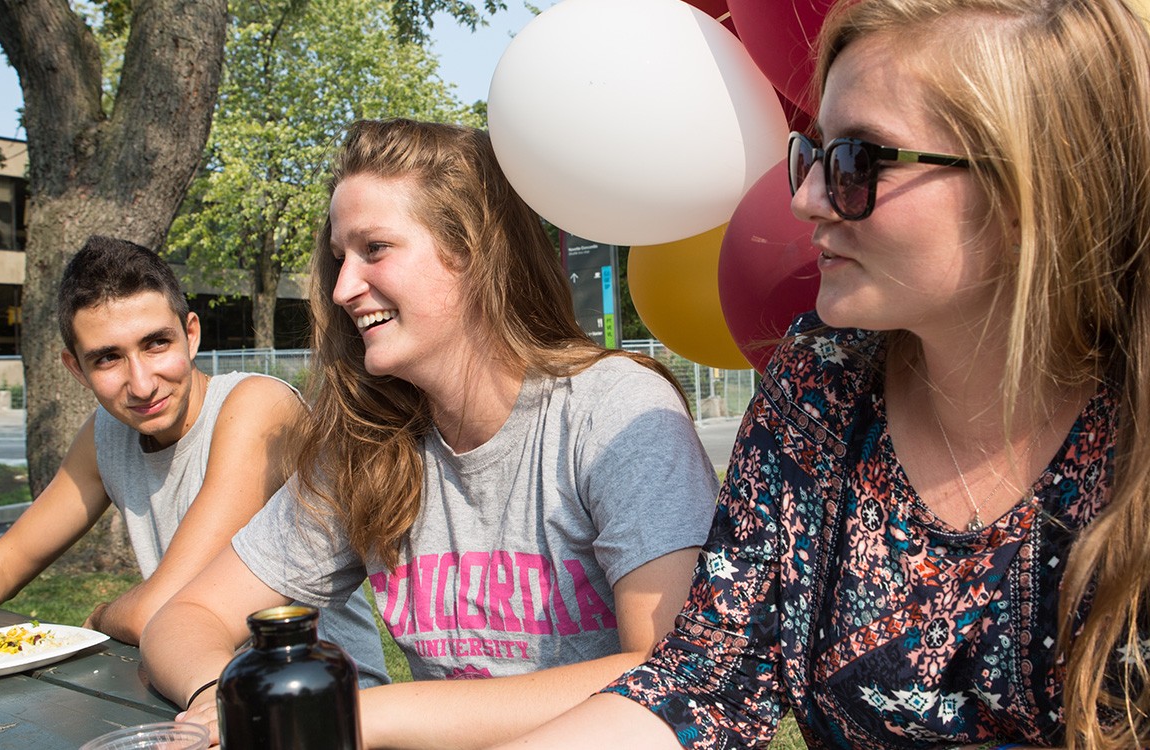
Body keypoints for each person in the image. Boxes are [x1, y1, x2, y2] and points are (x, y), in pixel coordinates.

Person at [497, 0, 1150, 747]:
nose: (804, 199)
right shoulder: (820, 383)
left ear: (1031, 187)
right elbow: (705, 685)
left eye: (857, 163)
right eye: (810, 155)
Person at [141, 118, 720, 747]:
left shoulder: (611, 409)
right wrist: (219, 701)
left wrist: (362, 715)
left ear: (471, 251)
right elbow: (184, 619)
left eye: (375, 249)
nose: (342, 289)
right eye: (340, 258)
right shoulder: (371, 444)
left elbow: (672, 672)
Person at [0, 236, 388, 687]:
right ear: (76, 367)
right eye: (108, 358)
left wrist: (96, 618)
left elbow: (161, 609)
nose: (141, 384)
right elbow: (5, 561)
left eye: (156, 344)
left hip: (320, 699)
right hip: (187, 691)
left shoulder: (257, 407)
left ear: (191, 334)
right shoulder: (106, 435)